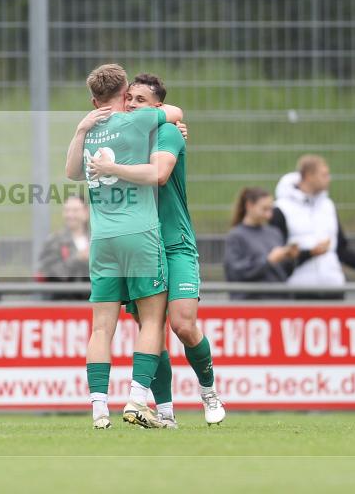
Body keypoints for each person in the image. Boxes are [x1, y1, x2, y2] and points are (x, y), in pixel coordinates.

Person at [87, 72, 225, 428]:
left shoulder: (165, 132)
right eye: (128, 98)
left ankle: (208, 390)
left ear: (158, 108)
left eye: (141, 101)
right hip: (139, 243)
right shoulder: (125, 135)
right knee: (152, 328)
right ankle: (164, 412)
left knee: (182, 324)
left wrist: (110, 165)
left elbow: (160, 174)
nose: (131, 105)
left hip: (173, 242)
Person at [65, 63, 182, 430]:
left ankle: (99, 409)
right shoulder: (136, 121)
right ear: (124, 92)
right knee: (151, 320)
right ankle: (135, 398)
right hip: (139, 233)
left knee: (101, 328)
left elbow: (70, 173)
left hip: (102, 240)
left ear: (92, 99)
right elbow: (174, 113)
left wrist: (82, 127)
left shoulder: (89, 130)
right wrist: (167, 121)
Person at [271, 155, 355, 297]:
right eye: (324, 174)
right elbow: (277, 254)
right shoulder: (281, 209)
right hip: (298, 292)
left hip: (333, 289)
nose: (329, 178)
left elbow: (340, 249)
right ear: (309, 176)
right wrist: (309, 253)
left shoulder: (328, 206)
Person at [224, 187, 299, 299]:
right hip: (251, 303)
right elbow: (235, 272)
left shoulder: (274, 233)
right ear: (249, 206)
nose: (269, 215)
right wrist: (268, 261)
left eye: (270, 209)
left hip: (278, 301)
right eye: (264, 209)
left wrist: (290, 258)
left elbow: (284, 273)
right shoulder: (236, 236)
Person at [37, 194, 91, 283]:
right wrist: (77, 258)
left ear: (86, 213)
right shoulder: (54, 241)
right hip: (62, 295)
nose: (70, 215)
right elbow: (48, 273)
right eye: (67, 210)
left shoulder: (97, 241)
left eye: (75, 210)